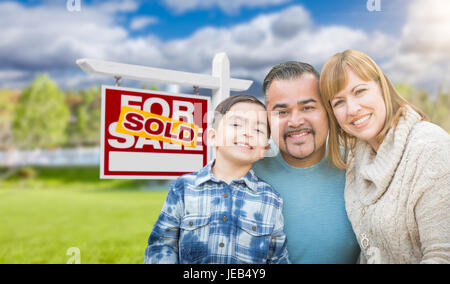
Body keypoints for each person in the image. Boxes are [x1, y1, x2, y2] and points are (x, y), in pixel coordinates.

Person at [319, 49, 450, 264]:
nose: (352, 109)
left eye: (359, 91)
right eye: (338, 102)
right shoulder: (357, 158)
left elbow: (442, 257)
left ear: (383, 87)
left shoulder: (430, 148)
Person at [145, 94, 289, 264]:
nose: (247, 133)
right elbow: (162, 244)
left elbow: (277, 257)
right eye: (236, 124)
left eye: (258, 130)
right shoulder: (184, 188)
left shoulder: (270, 199)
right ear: (213, 137)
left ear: (264, 148)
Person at [252, 62, 360, 264]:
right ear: (267, 119)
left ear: (328, 111)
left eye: (307, 107)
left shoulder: (357, 167)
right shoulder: (249, 175)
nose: (295, 121)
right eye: (282, 112)